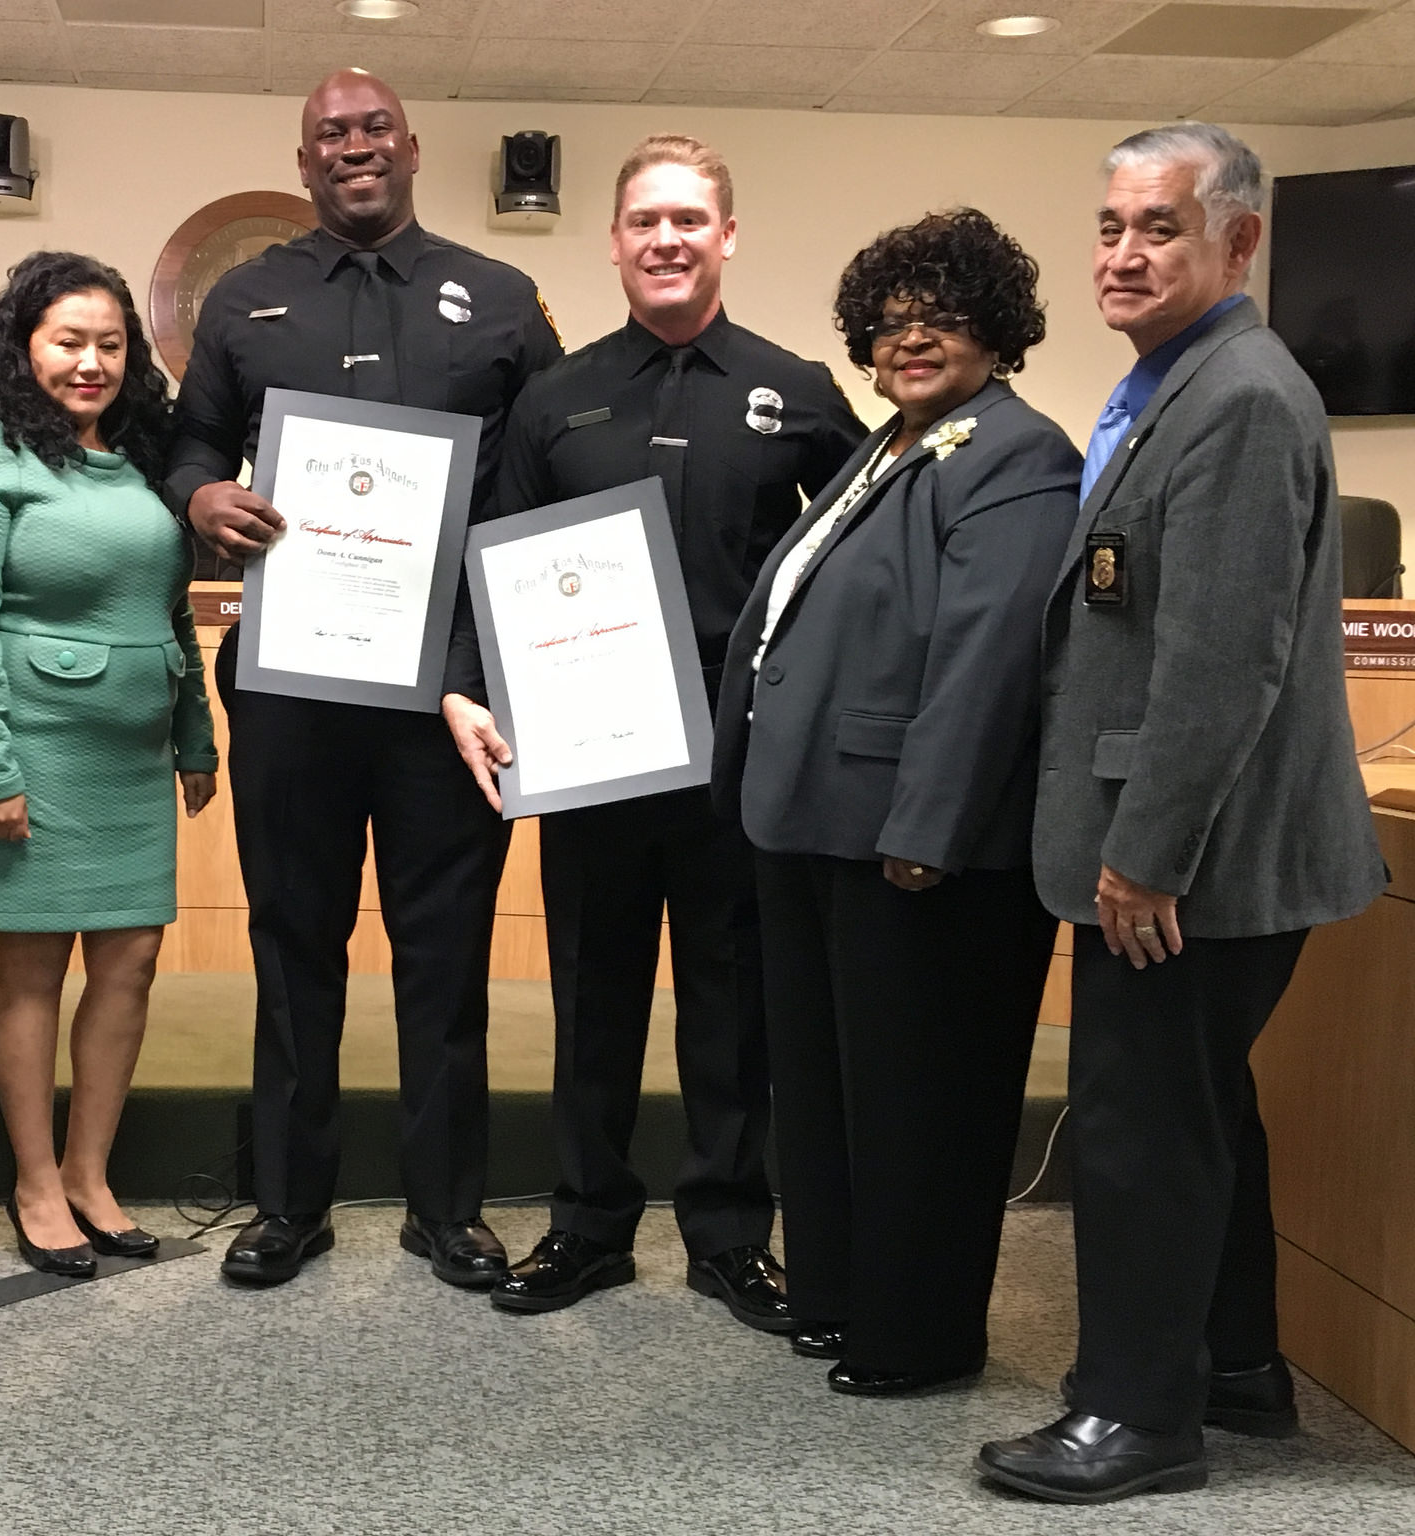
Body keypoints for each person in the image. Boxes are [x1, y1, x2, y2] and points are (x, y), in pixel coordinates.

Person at [977, 124, 1385, 1503]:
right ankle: (1236, 1364)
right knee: (1201, 1107)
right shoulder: (1182, 383)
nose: (1124, 254)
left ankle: (1135, 1416)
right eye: (1109, 226)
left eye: (1158, 226)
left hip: (1189, 860)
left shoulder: (1243, 399)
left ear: (1241, 241)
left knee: (1141, 1123)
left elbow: (1224, 658)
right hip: (1198, 852)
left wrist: (1144, 857)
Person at [447, 136, 862, 1319]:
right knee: (591, 992)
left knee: (734, 1003)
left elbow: (856, 558)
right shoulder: (556, 397)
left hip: (737, 759)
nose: (666, 240)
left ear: (725, 235)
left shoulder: (799, 391)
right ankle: (586, 1226)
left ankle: (729, 1232)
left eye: (688, 219)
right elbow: (492, 563)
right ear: (615, 241)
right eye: (643, 222)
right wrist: (468, 684)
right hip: (587, 751)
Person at [166, 69, 562, 1289]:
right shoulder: (246, 298)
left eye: (372, 127)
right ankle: (288, 1205)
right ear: (303, 163)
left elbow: (540, 473)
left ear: (410, 144)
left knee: (444, 953)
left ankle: (447, 1209)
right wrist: (198, 493)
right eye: (329, 135)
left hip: (446, 687)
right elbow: (191, 439)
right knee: (294, 944)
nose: (353, 147)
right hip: (292, 682)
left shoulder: (498, 300)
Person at [715, 209, 1080, 1391]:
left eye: (937, 316)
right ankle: (834, 1297)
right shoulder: (893, 446)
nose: (907, 340)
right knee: (825, 1095)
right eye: (885, 325)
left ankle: (917, 1338)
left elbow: (986, 658)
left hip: (911, 847)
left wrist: (924, 828)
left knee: (921, 1107)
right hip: (816, 826)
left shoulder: (1018, 456)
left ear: (997, 326)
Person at [0, 252, 218, 1275]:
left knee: (128, 960)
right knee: (34, 960)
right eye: (66, 342)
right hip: (32, 743)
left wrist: (196, 735)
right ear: (23, 347)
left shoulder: (145, 456)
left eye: (108, 344)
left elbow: (169, 609)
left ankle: (91, 1174)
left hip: (131, 750)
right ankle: (36, 1180)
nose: (89, 363)